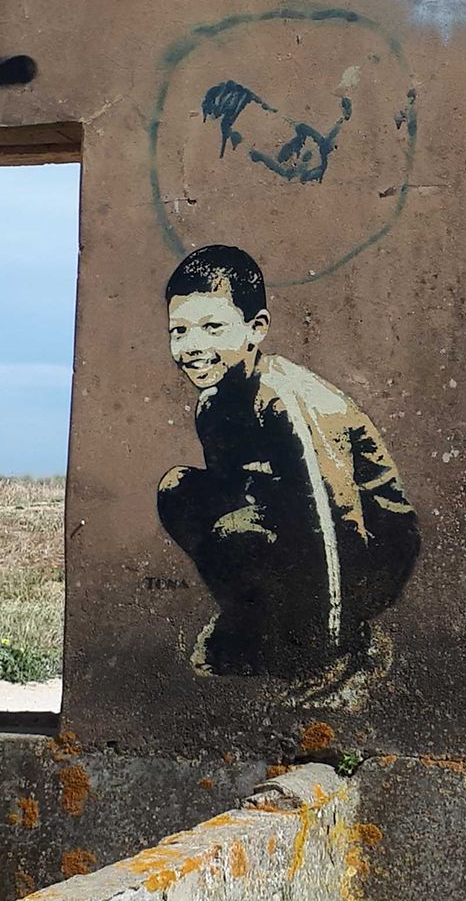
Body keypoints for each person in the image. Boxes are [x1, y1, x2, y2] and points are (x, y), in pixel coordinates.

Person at [157, 245, 419, 679]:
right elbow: (236, 491)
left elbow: (333, 518)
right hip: (291, 525)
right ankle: (256, 623)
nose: (193, 346)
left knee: (236, 529)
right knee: (178, 490)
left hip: (368, 548)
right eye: (179, 331)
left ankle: (336, 639)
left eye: (213, 327)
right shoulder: (214, 405)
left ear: (256, 329)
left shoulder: (282, 400)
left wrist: (328, 651)